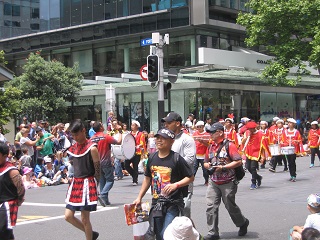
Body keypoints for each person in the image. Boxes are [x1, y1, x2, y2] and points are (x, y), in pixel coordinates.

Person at [133, 128, 194, 240]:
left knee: (167, 233)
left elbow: (190, 177)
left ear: (172, 141)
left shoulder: (176, 158)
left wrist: (176, 185)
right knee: (159, 234)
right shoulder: (152, 157)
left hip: (173, 203)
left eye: (163, 138)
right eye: (158, 138)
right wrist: (139, 197)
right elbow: (147, 179)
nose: (159, 141)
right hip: (157, 203)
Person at [203, 122, 249, 240]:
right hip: (213, 181)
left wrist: (223, 167)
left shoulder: (229, 145)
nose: (211, 135)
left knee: (230, 206)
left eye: (213, 132)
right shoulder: (210, 146)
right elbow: (205, 161)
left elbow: (238, 161)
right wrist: (207, 165)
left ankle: (242, 223)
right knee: (211, 206)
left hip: (228, 182)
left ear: (220, 132)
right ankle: (213, 232)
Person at [65, 119, 100, 240]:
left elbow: (97, 171)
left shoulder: (92, 148)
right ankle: (91, 233)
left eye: (77, 134)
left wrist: (96, 186)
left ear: (83, 131)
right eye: (73, 135)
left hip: (87, 183)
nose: (75, 137)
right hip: (75, 183)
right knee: (68, 216)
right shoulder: (73, 148)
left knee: (85, 219)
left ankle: (89, 236)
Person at [162, 112, 196, 218]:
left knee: (184, 212)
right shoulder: (165, 139)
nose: (165, 125)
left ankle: (193, 234)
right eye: (165, 123)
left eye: (168, 122)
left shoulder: (187, 139)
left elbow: (190, 160)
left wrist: (171, 164)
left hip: (183, 182)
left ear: (177, 123)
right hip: (166, 182)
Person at [91, 121, 121, 206]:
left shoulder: (92, 138)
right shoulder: (105, 137)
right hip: (106, 161)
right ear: (100, 128)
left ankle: (105, 200)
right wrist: (120, 132)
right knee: (110, 180)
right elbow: (118, 141)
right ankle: (103, 195)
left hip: (96, 162)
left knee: (102, 181)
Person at [0, 142, 25, 240]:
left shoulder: (11, 170)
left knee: (3, 230)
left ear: (5, 156)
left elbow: (20, 188)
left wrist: (19, 200)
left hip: (7, 204)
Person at [241, 121, 270, 189]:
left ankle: (253, 182)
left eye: (251, 129)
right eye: (249, 129)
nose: (250, 130)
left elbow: (263, 146)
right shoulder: (247, 133)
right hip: (248, 152)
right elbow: (242, 142)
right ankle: (258, 177)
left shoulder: (260, 134)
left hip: (256, 152)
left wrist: (263, 156)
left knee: (253, 167)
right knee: (248, 167)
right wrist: (247, 137)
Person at [125, 120, 145, 186]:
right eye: (131, 125)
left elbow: (142, 143)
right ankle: (134, 175)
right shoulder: (129, 134)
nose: (132, 126)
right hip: (129, 152)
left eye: (133, 125)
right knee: (126, 165)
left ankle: (135, 180)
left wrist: (137, 146)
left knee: (135, 166)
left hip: (137, 152)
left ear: (137, 126)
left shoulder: (141, 134)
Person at [193, 120, 210, 185]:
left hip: (203, 154)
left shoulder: (207, 134)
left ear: (203, 127)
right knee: (194, 169)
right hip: (196, 154)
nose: (198, 128)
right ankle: (190, 181)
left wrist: (202, 141)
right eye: (197, 127)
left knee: (205, 169)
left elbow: (208, 145)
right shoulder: (195, 133)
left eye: (200, 127)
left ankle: (206, 180)